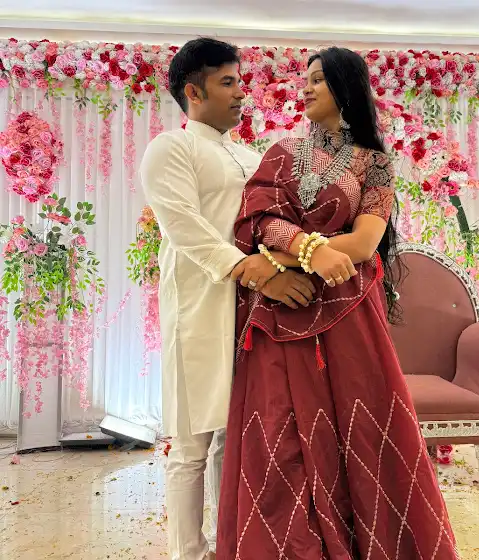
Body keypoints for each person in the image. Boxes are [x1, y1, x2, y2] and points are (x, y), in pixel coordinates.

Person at [216, 47, 458, 559]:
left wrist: (296, 253)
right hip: (280, 307)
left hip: (349, 310)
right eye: (305, 79)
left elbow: (365, 243)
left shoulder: (375, 164)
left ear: (346, 88)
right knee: (277, 432)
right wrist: (306, 252)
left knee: (361, 428)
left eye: (318, 80)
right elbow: (256, 221)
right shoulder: (281, 152)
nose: (305, 88)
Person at [140, 38, 316, 560]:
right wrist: (251, 272)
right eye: (227, 82)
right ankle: (188, 554)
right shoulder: (171, 148)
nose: (241, 93)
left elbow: (270, 222)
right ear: (193, 92)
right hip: (199, 306)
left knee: (234, 439)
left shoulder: (249, 155)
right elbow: (183, 226)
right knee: (191, 445)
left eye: (241, 81)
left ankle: (230, 547)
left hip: (253, 312)